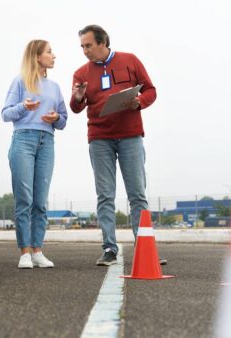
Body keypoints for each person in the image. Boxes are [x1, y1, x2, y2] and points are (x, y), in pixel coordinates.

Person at [70, 25, 166, 266]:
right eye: (82, 46)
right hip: (99, 139)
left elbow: (151, 90)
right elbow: (75, 107)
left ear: (103, 42)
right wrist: (78, 98)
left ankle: (145, 247)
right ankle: (109, 249)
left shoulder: (130, 60)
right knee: (105, 196)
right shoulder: (80, 73)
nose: (85, 51)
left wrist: (139, 101)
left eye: (88, 45)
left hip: (131, 137)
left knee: (137, 195)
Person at [1, 40, 68, 269]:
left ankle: (38, 250)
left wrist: (55, 118)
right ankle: (25, 253)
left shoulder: (55, 87)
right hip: (23, 140)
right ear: (37, 57)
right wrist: (23, 107)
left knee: (40, 202)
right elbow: (6, 114)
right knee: (25, 200)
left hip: (47, 141)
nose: (54, 55)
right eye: (50, 52)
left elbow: (63, 120)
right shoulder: (20, 81)